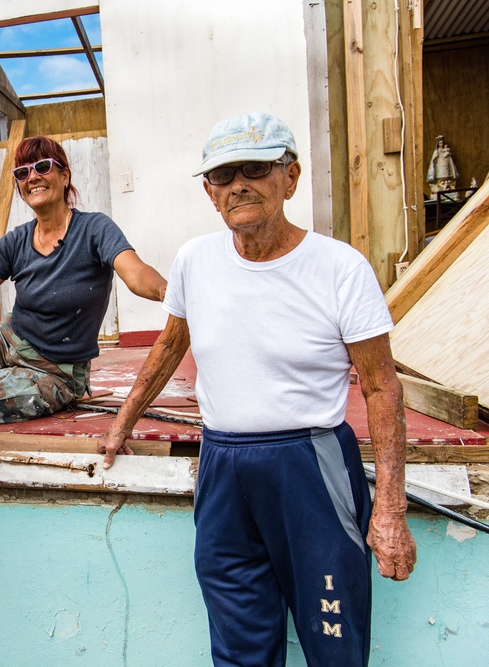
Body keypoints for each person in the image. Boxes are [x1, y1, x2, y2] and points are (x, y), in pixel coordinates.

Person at [98, 112, 417, 666]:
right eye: (223, 176)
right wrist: (124, 419)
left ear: (290, 178)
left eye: (256, 168)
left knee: (333, 637)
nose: (238, 184)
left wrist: (390, 505)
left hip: (311, 466)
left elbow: (382, 388)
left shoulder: (339, 268)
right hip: (223, 465)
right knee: (240, 643)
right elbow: (172, 344)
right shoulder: (196, 260)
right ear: (209, 193)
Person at [0, 135, 167, 425]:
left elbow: (135, 273)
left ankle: (54, 394)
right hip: (10, 339)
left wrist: (166, 290)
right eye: (22, 172)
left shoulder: (94, 230)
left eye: (43, 167)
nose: (32, 177)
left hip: (56, 372)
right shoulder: (15, 241)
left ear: (64, 175)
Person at [426, 134, 459, 198]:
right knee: (441, 177)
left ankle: (448, 187)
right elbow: (434, 158)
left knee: (447, 175)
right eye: (440, 143)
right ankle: (441, 187)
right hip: (440, 166)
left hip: (446, 165)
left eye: (442, 143)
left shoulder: (445, 149)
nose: (441, 144)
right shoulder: (437, 151)